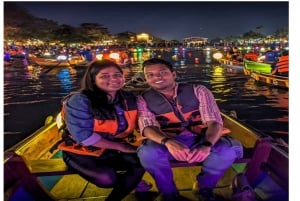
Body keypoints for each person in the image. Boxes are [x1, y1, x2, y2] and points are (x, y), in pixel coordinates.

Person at [136, 58, 243, 201]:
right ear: (146, 79)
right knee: (148, 153)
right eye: (151, 75)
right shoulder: (143, 99)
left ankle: (204, 187)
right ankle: (168, 193)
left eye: (162, 73)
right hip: (168, 142)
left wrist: (206, 145)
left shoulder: (198, 91)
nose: (157, 78)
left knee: (227, 151)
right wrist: (167, 142)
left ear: (174, 74)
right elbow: (147, 127)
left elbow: (215, 122)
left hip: (201, 138)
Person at [59, 59, 151, 201]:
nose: (113, 79)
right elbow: (83, 137)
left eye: (117, 75)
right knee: (107, 179)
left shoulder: (129, 98)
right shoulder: (80, 100)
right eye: (104, 76)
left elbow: (146, 118)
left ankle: (126, 188)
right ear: (93, 79)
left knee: (144, 160)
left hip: (114, 149)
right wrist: (121, 146)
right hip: (81, 150)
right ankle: (132, 183)